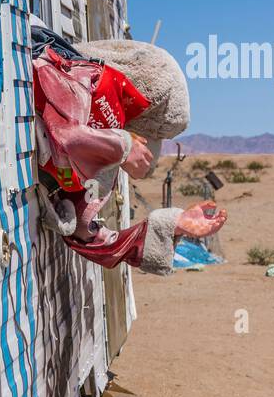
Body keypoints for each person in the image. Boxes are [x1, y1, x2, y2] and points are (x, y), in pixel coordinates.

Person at [32, 29, 226, 274]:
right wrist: (121, 146)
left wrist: (170, 224)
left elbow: (89, 236)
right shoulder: (62, 76)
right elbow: (65, 134)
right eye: (150, 134)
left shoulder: (97, 162)